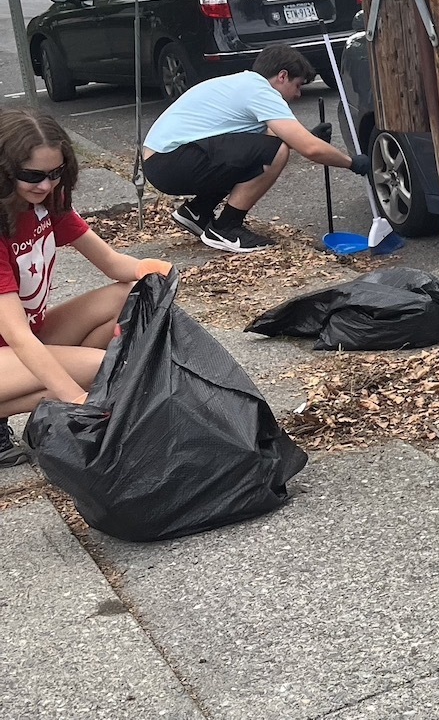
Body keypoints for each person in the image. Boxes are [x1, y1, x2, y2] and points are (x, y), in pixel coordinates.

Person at [0, 108, 172, 468]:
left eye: (55, 173)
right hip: (14, 343)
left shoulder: (48, 203)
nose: (46, 185)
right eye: (32, 175)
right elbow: (17, 335)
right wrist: (78, 400)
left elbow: (111, 263)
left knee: (131, 293)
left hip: (19, 344)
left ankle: (57, 395)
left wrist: (154, 270)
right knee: (103, 370)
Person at [142, 45, 370, 254]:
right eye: (298, 85)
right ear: (282, 76)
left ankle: (197, 212)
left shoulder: (244, 84)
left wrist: (307, 136)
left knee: (261, 148)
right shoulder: (261, 91)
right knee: (276, 151)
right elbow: (308, 149)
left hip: (163, 160)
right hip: (170, 161)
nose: (298, 95)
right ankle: (226, 228)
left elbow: (263, 142)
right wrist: (352, 163)